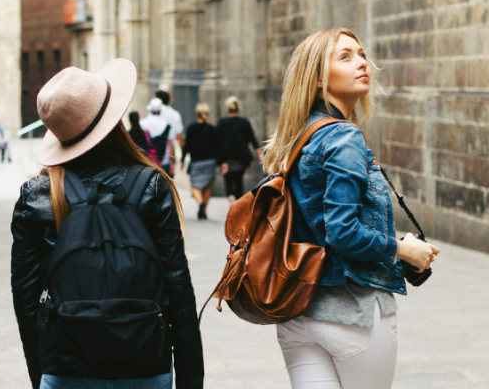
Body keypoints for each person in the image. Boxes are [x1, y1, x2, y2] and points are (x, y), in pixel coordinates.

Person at [261, 28, 440, 389]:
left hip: (297, 313)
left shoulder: (297, 137)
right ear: (316, 78)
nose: (362, 63)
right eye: (345, 57)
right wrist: (404, 249)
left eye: (360, 54)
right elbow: (342, 231)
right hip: (352, 313)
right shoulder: (343, 136)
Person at [10, 59, 204, 389]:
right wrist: (190, 379)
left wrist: (42, 374)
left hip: (66, 366)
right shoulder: (152, 187)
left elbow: (26, 302)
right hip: (146, 363)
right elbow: (178, 288)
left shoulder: (38, 196)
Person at [216, 96, 261, 202]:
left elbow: (218, 142)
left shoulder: (222, 122)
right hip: (241, 157)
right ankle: (237, 201)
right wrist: (260, 154)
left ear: (227, 109)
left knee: (228, 180)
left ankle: (231, 197)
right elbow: (252, 138)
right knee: (239, 180)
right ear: (238, 108)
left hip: (226, 158)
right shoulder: (244, 122)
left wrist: (221, 160)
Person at [181, 103, 218, 220]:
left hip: (196, 161)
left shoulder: (191, 128)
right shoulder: (212, 129)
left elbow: (187, 145)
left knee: (195, 185)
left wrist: (182, 159)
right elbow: (217, 146)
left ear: (196, 114)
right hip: (210, 161)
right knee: (207, 186)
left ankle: (201, 202)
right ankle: (204, 211)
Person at [140, 98, 175, 176]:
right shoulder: (167, 125)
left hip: (147, 161)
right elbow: (170, 145)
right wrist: (172, 163)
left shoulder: (142, 123)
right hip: (164, 161)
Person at [155, 89, 184, 176]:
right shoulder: (175, 115)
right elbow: (179, 137)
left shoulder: (154, 114)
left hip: (153, 156)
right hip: (168, 156)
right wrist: (182, 156)